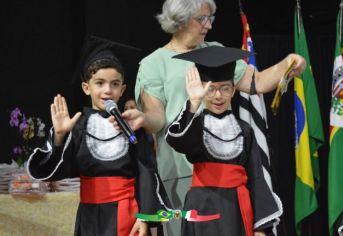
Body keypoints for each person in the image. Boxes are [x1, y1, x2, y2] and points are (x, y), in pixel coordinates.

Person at [120, 0, 305, 235]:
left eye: (211, 19)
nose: (208, 25)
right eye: (202, 19)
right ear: (180, 19)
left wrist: (287, 64)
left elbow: (256, 81)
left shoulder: (215, 52)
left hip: (224, 168)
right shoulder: (153, 64)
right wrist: (143, 119)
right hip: (180, 172)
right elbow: (158, 118)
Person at [26, 35, 170, 236]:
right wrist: (60, 136)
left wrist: (145, 217)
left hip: (127, 213)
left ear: (123, 89)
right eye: (99, 83)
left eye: (114, 84)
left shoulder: (131, 125)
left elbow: (146, 172)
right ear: (87, 87)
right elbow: (57, 172)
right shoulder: (78, 126)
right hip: (90, 217)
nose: (107, 91)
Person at [165, 46, 282, 236]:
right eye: (210, 89)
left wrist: (260, 227)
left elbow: (256, 177)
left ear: (234, 90)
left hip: (236, 206)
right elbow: (181, 143)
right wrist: (194, 102)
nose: (218, 96)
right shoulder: (196, 125)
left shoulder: (244, 130)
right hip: (202, 206)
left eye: (224, 89)